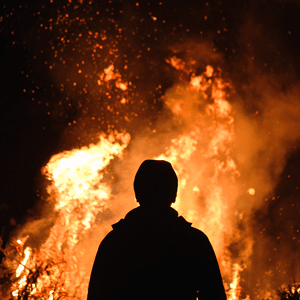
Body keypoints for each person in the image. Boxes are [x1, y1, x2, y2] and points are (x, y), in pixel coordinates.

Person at [87, 159, 227, 300]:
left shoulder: (115, 241)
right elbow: (214, 296)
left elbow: (96, 295)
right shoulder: (195, 241)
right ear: (174, 194)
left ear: (137, 193)